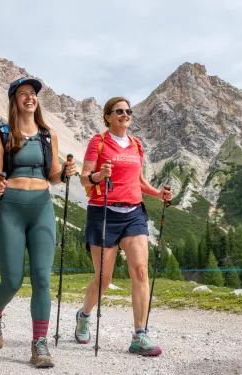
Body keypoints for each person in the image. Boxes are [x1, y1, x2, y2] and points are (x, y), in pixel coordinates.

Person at [0, 77, 76, 368]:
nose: (30, 98)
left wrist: (64, 173)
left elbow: (52, 175)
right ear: (15, 101)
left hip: (42, 209)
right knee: (11, 280)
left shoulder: (48, 135)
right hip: (11, 208)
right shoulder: (1, 133)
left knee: (41, 277)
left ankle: (39, 344)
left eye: (33, 94)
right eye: (24, 94)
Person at [74, 97, 173, 356]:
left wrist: (157, 194)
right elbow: (85, 178)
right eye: (119, 111)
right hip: (103, 212)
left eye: (128, 111)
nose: (125, 114)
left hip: (133, 214)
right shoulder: (99, 142)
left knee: (140, 271)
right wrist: (98, 176)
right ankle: (84, 315)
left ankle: (140, 335)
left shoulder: (136, 144)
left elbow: (138, 181)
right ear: (107, 116)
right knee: (104, 279)